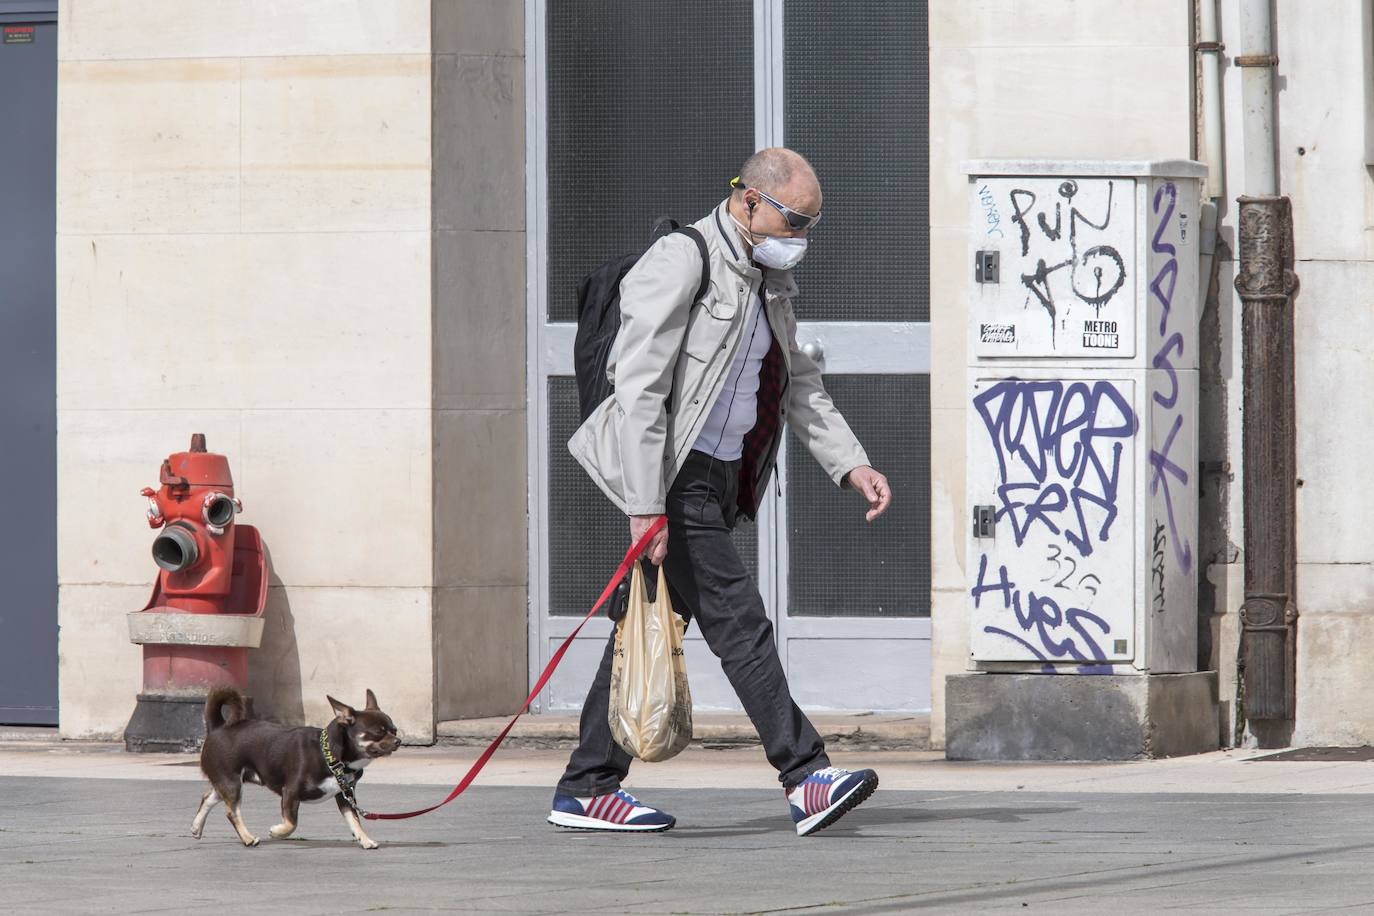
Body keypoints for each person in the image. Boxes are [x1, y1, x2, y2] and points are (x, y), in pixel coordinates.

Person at [553, 148, 893, 837]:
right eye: (792, 220)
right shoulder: (685, 259)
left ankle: (588, 785)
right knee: (739, 622)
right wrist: (645, 506)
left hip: (717, 477)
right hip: (674, 478)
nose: (799, 239)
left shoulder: (770, 283)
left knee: (643, 629)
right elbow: (639, 387)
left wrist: (851, 463)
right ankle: (806, 775)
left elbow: (798, 383)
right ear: (747, 200)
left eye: (808, 227)